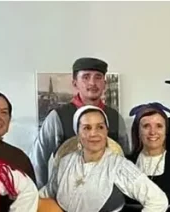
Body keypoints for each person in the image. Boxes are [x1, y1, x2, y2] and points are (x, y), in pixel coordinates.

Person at [33, 57, 127, 187]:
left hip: (110, 197)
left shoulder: (115, 117)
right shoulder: (57, 117)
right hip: (66, 197)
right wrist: (42, 196)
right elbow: (39, 160)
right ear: (75, 83)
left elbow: (126, 158)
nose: (92, 83)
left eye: (98, 77)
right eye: (86, 77)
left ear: (104, 84)